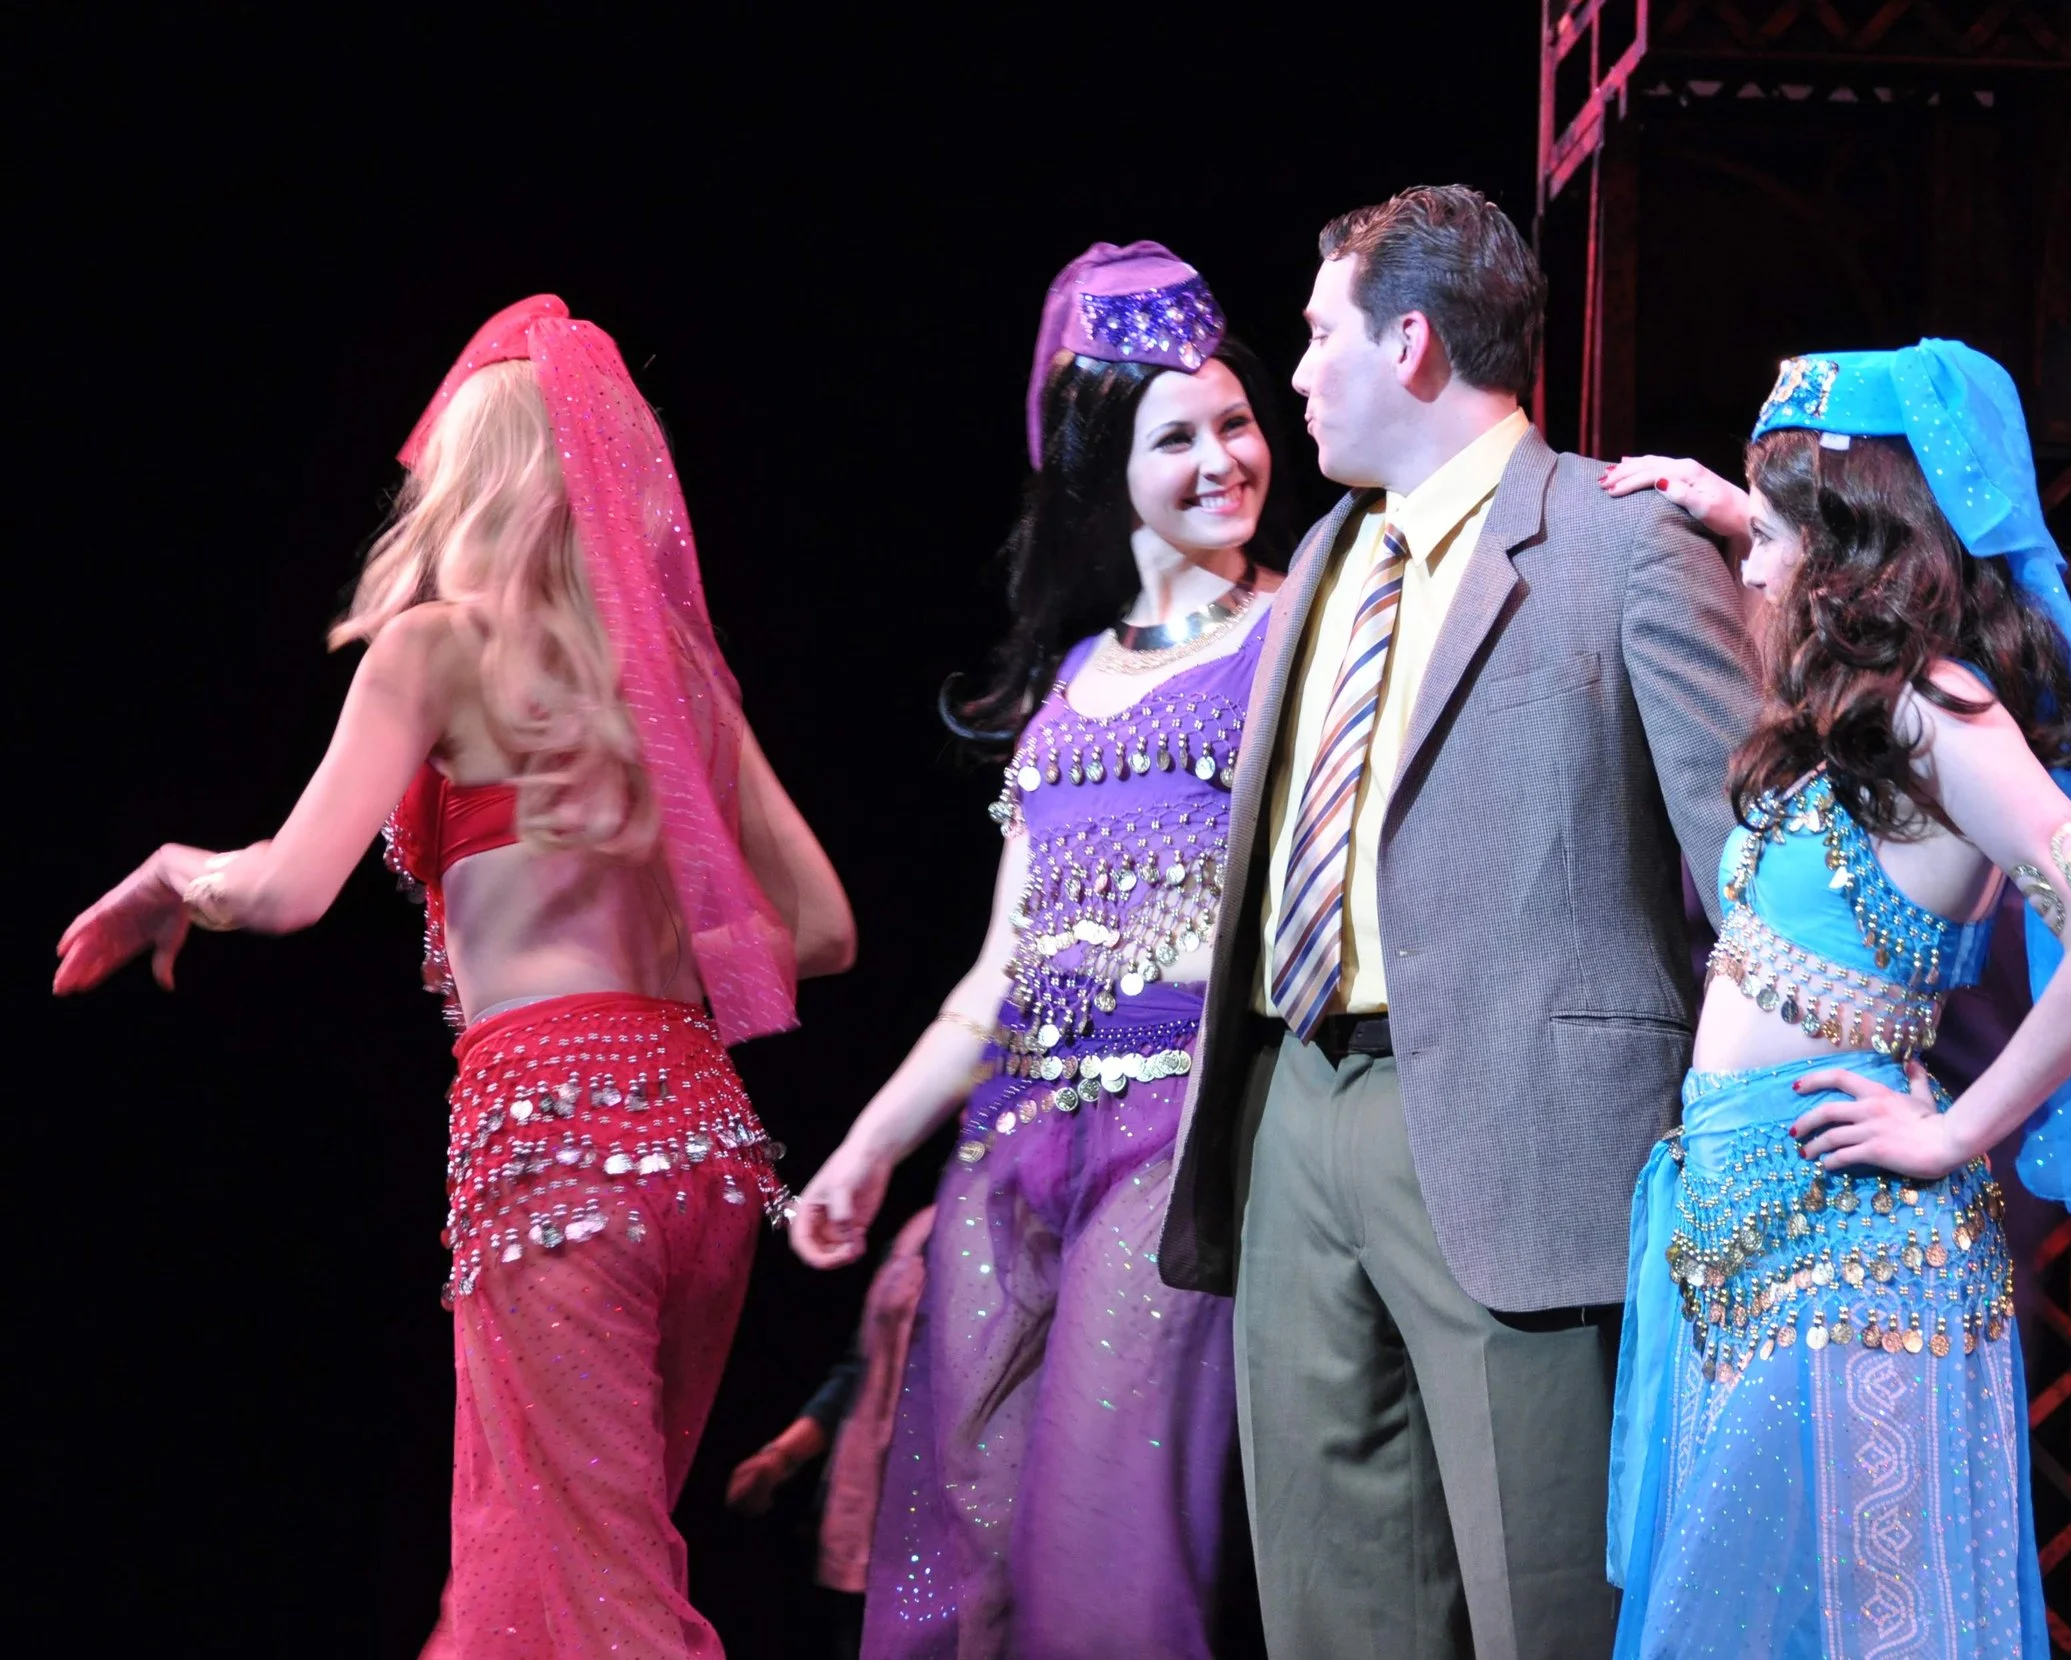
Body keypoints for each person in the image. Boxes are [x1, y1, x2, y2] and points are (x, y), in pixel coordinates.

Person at [53, 295, 858, 1659]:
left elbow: (287, 890)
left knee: (594, 1599)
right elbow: (826, 931)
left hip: (549, 1153)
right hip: (709, 1158)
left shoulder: (432, 645)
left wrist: (178, 871)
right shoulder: (668, 674)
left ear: (470, 474)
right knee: (585, 1569)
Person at [1155, 185, 1760, 1660]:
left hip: (1529, 1131)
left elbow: (1752, 867)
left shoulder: (1619, 538)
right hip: (1300, 1099)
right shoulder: (1326, 556)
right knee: (1332, 1603)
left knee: (1543, 1603)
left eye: (1320, 337)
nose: (1297, 376)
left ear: (1411, 343)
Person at [1598, 340, 2071, 1658]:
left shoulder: (1942, 713)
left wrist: (1956, 1132)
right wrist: (1735, 503)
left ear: (1846, 546)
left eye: (1770, 538)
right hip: (1740, 1236)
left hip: (1855, 1249)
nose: (1750, 567)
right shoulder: (1852, 714)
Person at [788, 242, 1292, 1660]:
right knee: (971, 1546)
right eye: (1175, 437)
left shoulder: (1294, 636)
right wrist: (866, 1149)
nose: (1222, 459)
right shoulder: (1068, 690)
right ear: (1096, 468)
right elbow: (997, 978)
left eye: (1236, 422)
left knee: (1107, 1553)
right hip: (1011, 1152)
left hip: (1175, 1143)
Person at [728, 1206, 937, 1660]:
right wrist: (780, 1457)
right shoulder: (915, 1230)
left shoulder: (1029, 1228)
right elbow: (863, 1368)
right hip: (866, 1514)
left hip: (948, 1529)